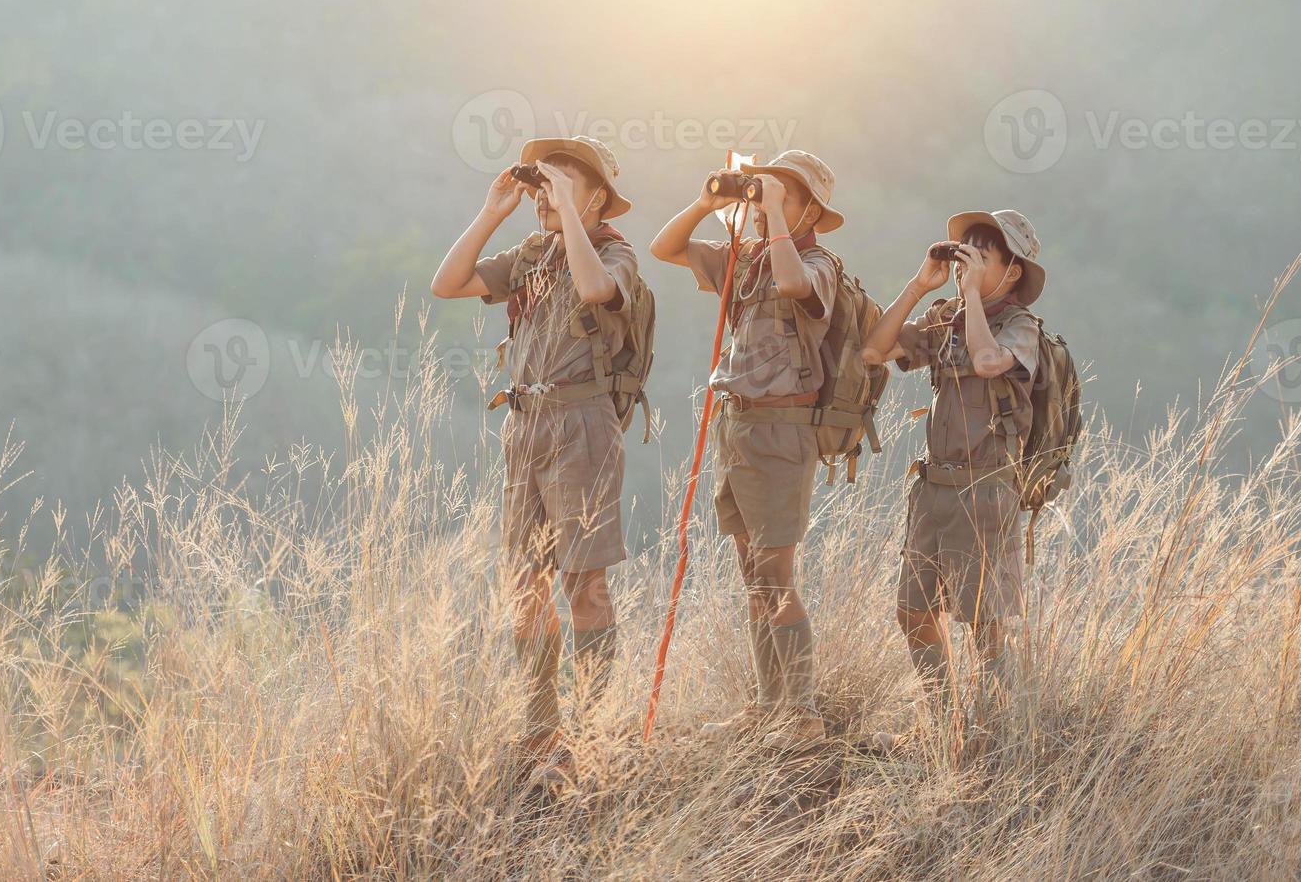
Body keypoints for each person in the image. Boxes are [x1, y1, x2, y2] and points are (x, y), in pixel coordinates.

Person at [430, 136, 640, 780]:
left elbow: (596, 288)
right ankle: (540, 725)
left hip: (582, 423)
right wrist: (495, 210)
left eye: (562, 185)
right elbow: (448, 284)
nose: (544, 197)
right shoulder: (529, 254)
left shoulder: (615, 252)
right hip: (524, 425)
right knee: (525, 586)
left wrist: (570, 212)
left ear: (598, 196)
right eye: (542, 187)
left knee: (586, 586)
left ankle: (592, 726)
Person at [649, 150, 848, 750]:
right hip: (736, 426)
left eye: (784, 197)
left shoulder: (816, 262)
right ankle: (771, 707)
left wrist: (776, 218)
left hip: (783, 430)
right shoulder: (747, 261)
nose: (767, 206)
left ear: (809, 208)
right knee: (753, 575)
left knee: (777, 574)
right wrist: (712, 203)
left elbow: (797, 286)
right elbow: (665, 246)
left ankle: (803, 715)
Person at [860, 210, 1047, 732]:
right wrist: (921, 286)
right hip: (934, 489)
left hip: (986, 492)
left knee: (985, 625)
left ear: (1012, 273)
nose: (967, 264)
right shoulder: (945, 319)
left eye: (981, 258)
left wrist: (968, 300)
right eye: (964, 252)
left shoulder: (1020, 327)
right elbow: (874, 350)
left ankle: (1009, 729)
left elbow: (989, 362)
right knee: (914, 613)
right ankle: (943, 723)